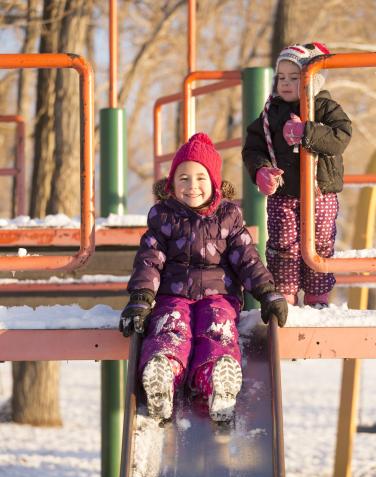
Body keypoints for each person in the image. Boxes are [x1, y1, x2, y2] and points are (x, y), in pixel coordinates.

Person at [119, 132, 287, 422]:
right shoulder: (163, 217)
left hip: (218, 295)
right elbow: (150, 259)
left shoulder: (229, 217)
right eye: (183, 178)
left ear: (215, 183)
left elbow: (247, 259)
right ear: (171, 184)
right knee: (170, 325)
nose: (192, 186)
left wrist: (266, 291)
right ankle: (163, 376)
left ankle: (217, 380)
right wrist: (141, 298)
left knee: (218, 327)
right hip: (173, 294)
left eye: (200, 178)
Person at [242, 42, 352, 309]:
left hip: (320, 193)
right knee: (283, 245)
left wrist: (308, 132)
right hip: (284, 195)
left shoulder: (325, 107)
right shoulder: (271, 112)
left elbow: (342, 136)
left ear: (313, 80)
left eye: (295, 77)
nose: (286, 83)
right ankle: (286, 297)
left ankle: (317, 298)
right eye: (281, 77)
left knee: (320, 244)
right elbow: (254, 146)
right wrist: (261, 170)